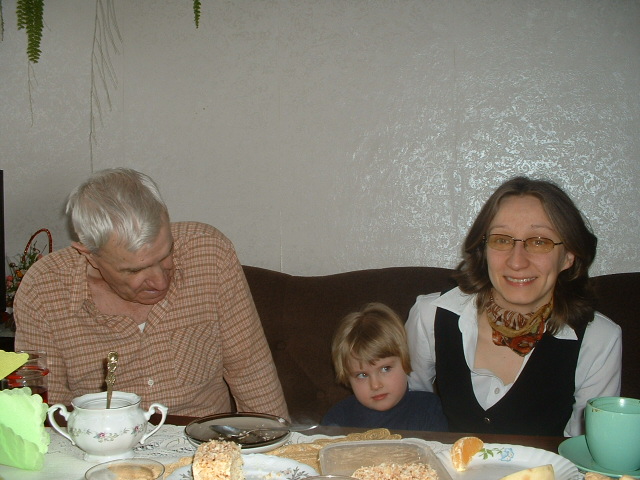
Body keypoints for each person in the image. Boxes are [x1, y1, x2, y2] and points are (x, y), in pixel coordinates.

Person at [13, 168, 289, 419]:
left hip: (205, 444)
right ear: (89, 254)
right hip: (101, 449)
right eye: (135, 270)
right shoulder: (43, 289)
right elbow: (47, 409)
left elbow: (251, 371)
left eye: (166, 254)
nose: (159, 281)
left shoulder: (209, 253)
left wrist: (278, 449)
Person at [406, 176, 622, 437]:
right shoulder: (430, 315)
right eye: (502, 240)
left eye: (539, 241)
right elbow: (407, 411)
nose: (517, 262)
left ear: (568, 256)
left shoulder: (599, 339)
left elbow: (585, 450)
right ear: (483, 248)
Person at [322, 302, 448, 431]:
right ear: (348, 378)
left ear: (405, 360)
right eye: (362, 375)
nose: (375, 385)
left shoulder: (429, 410)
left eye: (385, 369)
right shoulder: (339, 418)